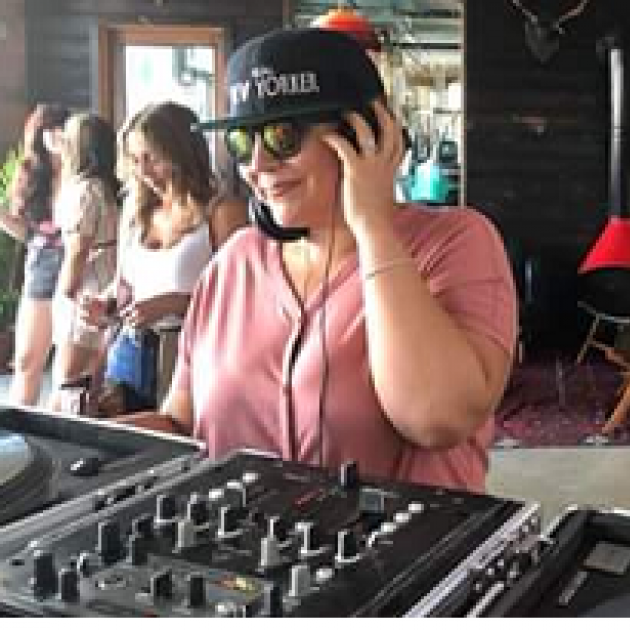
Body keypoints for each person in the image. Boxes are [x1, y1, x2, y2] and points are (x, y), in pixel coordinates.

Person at [113, 28, 517, 492]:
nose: (257, 164)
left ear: (365, 134)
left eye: (282, 136)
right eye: (243, 141)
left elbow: (437, 417)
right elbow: (186, 426)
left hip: (406, 557)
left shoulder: (456, 242)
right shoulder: (234, 263)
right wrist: (76, 442)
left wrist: (372, 226)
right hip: (245, 558)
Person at [79, 101, 247, 412]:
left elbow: (241, 305)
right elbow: (123, 288)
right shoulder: (135, 212)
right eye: (135, 159)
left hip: (191, 356)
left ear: (181, 151)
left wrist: (175, 304)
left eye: (153, 158)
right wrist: (105, 305)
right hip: (127, 354)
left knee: (178, 452)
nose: (142, 171)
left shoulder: (222, 212)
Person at [46, 112, 120, 411]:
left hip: (85, 291)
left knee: (67, 384)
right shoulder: (106, 187)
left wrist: (65, 293)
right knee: (89, 381)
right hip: (105, 283)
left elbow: (78, 250)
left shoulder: (85, 190)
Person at [0, 103, 70, 405]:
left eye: (60, 130)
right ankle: (19, 428)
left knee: (69, 366)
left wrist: (68, 157)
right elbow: (23, 227)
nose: (54, 137)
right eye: (47, 131)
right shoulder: (31, 172)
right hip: (42, 262)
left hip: (77, 261)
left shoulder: (78, 169)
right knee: (28, 359)